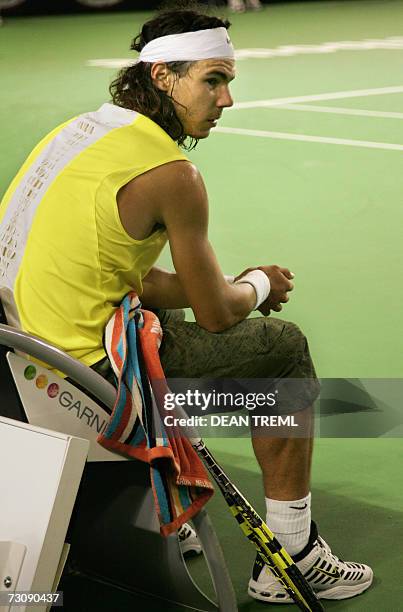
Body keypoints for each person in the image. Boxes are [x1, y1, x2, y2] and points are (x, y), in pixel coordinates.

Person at [0, 5, 373, 604]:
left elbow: (134, 278)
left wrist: (227, 284)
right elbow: (219, 315)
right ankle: (293, 556)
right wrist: (254, 284)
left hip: (18, 351)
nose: (226, 100)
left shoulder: (82, 131)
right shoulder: (173, 175)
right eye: (213, 80)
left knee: (158, 318)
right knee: (282, 352)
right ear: (163, 78)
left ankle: (164, 505)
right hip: (80, 379)